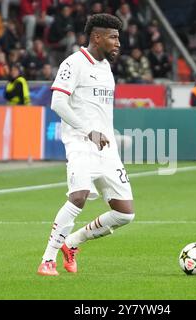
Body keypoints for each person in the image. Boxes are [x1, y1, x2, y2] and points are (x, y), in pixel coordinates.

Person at [38, 13, 135, 276]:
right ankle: (47, 260)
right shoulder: (73, 63)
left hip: (107, 149)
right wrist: (87, 131)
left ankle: (72, 243)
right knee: (78, 196)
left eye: (119, 37)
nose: (118, 43)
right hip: (81, 144)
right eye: (113, 37)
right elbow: (58, 103)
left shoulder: (105, 68)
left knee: (125, 214)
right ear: (97, 37)